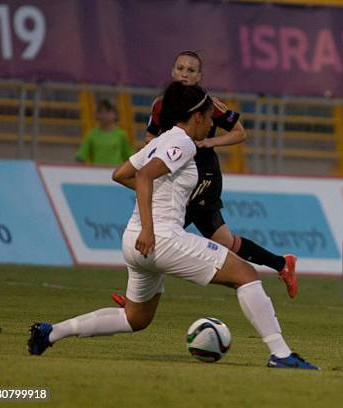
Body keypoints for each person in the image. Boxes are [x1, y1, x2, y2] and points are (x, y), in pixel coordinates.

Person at [28, 82, 318, 370]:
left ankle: (50, 333)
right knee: (245, 273)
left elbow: (121, 174)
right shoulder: (182, 142)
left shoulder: (161, 139)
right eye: (208, 118)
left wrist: (149, 215)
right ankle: (281, 354)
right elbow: (143, 177)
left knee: (134, 319)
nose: (210, 126)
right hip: (159, 238)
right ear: (197, 117)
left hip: (133, 241)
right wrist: (150, 228)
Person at [111, 50, 297, 306]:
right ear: (172, 71)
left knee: (164, 229)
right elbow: (149, 137)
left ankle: (137, 298)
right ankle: (281, 263)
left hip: (203, 176)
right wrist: (156, 148)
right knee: (223, 240)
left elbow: (239, 133)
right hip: (175, 174)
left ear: (200, 76)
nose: (184, 74)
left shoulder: (208, 104)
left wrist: (209, 141)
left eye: (191, 70)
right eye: (180, 68)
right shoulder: (160, 104)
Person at [75, 99, 133, 165]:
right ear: (97, 114)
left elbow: (129, 157)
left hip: (115, 172)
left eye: (108, 111)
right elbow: (80, 157)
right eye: (101, 112)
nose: (105, 115)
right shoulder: (91, 134)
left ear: (115, 114)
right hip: (97, 172)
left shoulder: (121, 135)